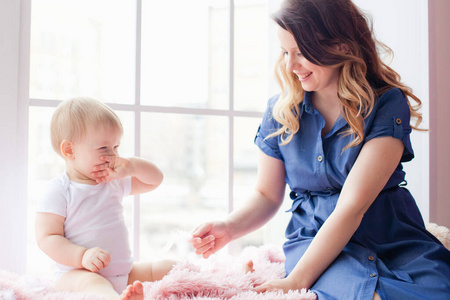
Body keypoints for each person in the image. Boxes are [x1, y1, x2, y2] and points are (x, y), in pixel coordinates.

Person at [190, 0, 450, 299]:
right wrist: (229, 227)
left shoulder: (386, 104)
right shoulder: (280, 111)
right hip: (315, 243)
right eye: (285, 52)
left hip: (393, 240)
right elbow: (266, 194)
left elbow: (353, 206)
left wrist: (295, 280)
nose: (290, 65)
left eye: (301, 52)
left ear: (339, 44)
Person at [35, 97, 175, 300]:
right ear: (69, 150)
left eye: (116, 147)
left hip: (123, 273)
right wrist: (82, 256)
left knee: (166, 267)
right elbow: (47, 238)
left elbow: (155, 180)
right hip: (77, 276)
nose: (113, 156)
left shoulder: (113, 181)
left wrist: (132, 167)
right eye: (103, 148)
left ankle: (203, 281)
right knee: (94, 284)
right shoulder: (60, 190)